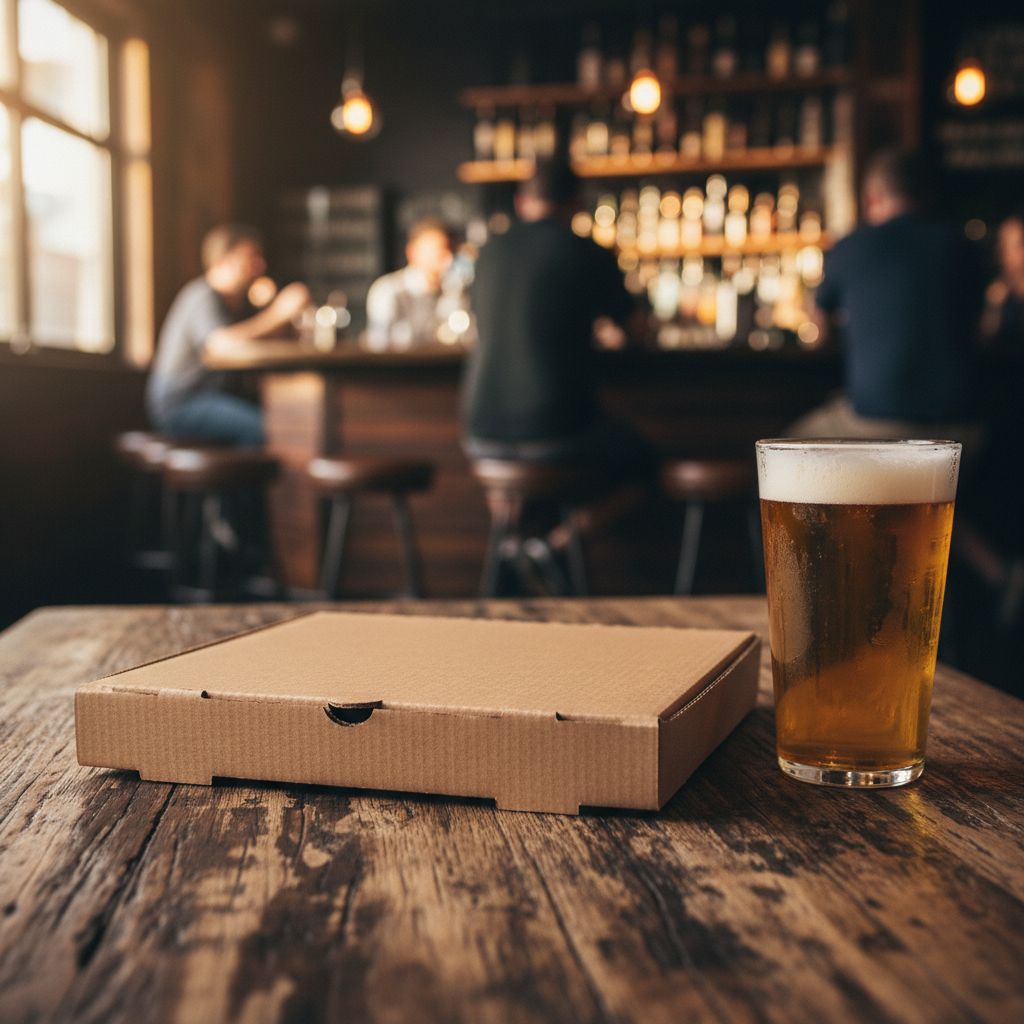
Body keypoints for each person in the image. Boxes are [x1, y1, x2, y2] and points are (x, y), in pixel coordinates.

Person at [790, 149, 986, 460]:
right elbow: (981, 327)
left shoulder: (849, 247)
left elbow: (820, 335)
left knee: (788, 446)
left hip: (873, 427)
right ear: (926, 195)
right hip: (961, 429)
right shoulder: (962, 247)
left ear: (872, 198)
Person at [461, 158, 647, 469]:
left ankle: (522, 510)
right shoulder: (587, 252)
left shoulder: (488, 253)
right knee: (645, 464)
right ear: (578, 203)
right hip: (557, 430)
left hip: (480, 431)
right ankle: (574, 521)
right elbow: (637, 329)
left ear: (521, 202)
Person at [146, 224, 310, 447]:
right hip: (183, 404)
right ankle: (237, 483)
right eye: (251, 258)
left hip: (214, 399)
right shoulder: (201, 296)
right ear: (224, 261)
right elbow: (221, 345)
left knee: (285, 420)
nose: (260, 265)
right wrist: (279, 313)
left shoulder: (236, 306)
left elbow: (253, 340)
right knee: (264, 429)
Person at [365, 219, 468, 350]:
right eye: (440, 250)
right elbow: (380, 347)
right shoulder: (388, 290)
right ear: (412, 252)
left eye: (451, 251)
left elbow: (463, 340)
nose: (448, 258)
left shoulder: (454, 291)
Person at [981, 212, 1024, 353]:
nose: (1002, 253)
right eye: (1002, 244)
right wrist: (994, 308)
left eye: (1012, 245)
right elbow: (985, 343)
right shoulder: (998, 292)